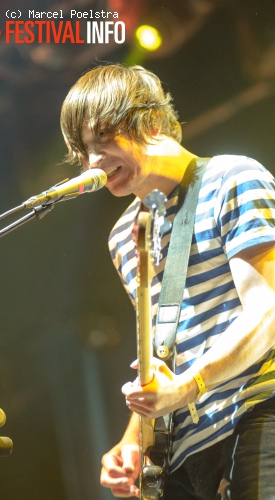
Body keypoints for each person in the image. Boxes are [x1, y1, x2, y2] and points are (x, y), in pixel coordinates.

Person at [60, 64, 275, 499]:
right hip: (183, 454)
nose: (93, 163)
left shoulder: (233, 177)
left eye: (102, 139)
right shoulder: (124, 237)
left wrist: (190, 386)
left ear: (152, 121)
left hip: (257, 415)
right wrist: (133, 442)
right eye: (83, 151)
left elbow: (268, 310)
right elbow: (168, 354)